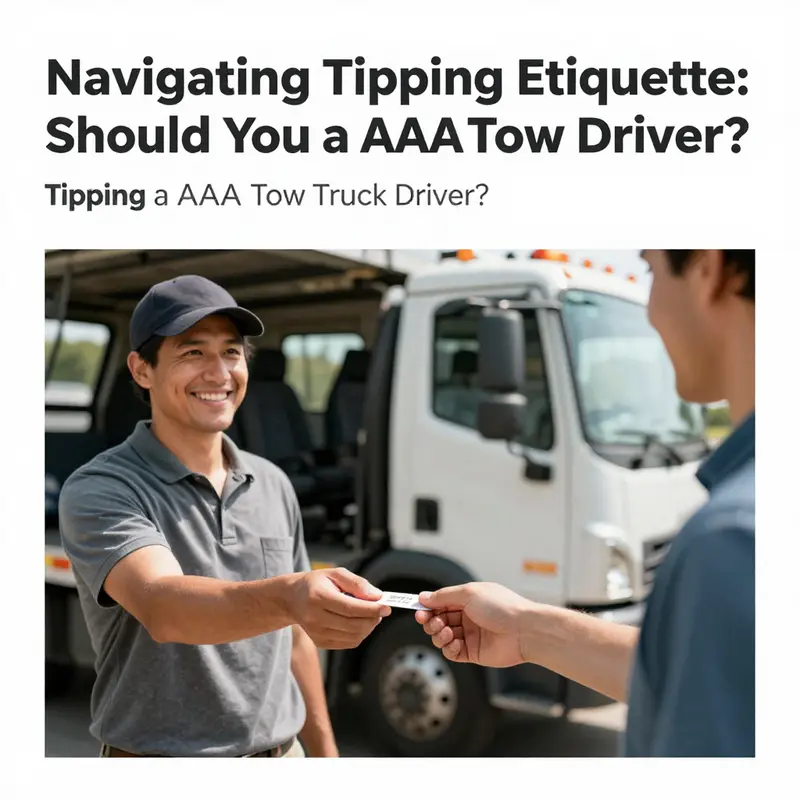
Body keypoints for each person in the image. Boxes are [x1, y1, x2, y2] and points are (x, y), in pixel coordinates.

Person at [415, 250, 755, 757]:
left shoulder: (734, 537)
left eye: (653, 271)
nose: (652, 310)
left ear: (707, 270)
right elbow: (685, 674)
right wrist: (529, 629)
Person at [59, 275, 391, 758]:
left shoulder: (273, 483)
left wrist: (323, 752)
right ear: (142, 369)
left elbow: (293, 637)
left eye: (231, 352)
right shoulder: (103, 488)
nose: (219, 373)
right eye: (192, 353)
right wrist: (293, 595)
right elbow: (163, 606)